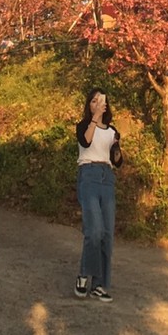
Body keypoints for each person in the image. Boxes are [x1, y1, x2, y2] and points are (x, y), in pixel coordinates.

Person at [74, 88, 123, 302]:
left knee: (107, 234)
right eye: (93, 101)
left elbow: (117, 161)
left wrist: (117, 148)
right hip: (89, 175)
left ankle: (99, 284)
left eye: (100, 101)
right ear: (89, 105)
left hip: (107, 178)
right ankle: (84, 274)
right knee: (94, 230)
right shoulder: (83, 126)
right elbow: (85, 142)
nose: (97, 104)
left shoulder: (112, 131)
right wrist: (94, 119)